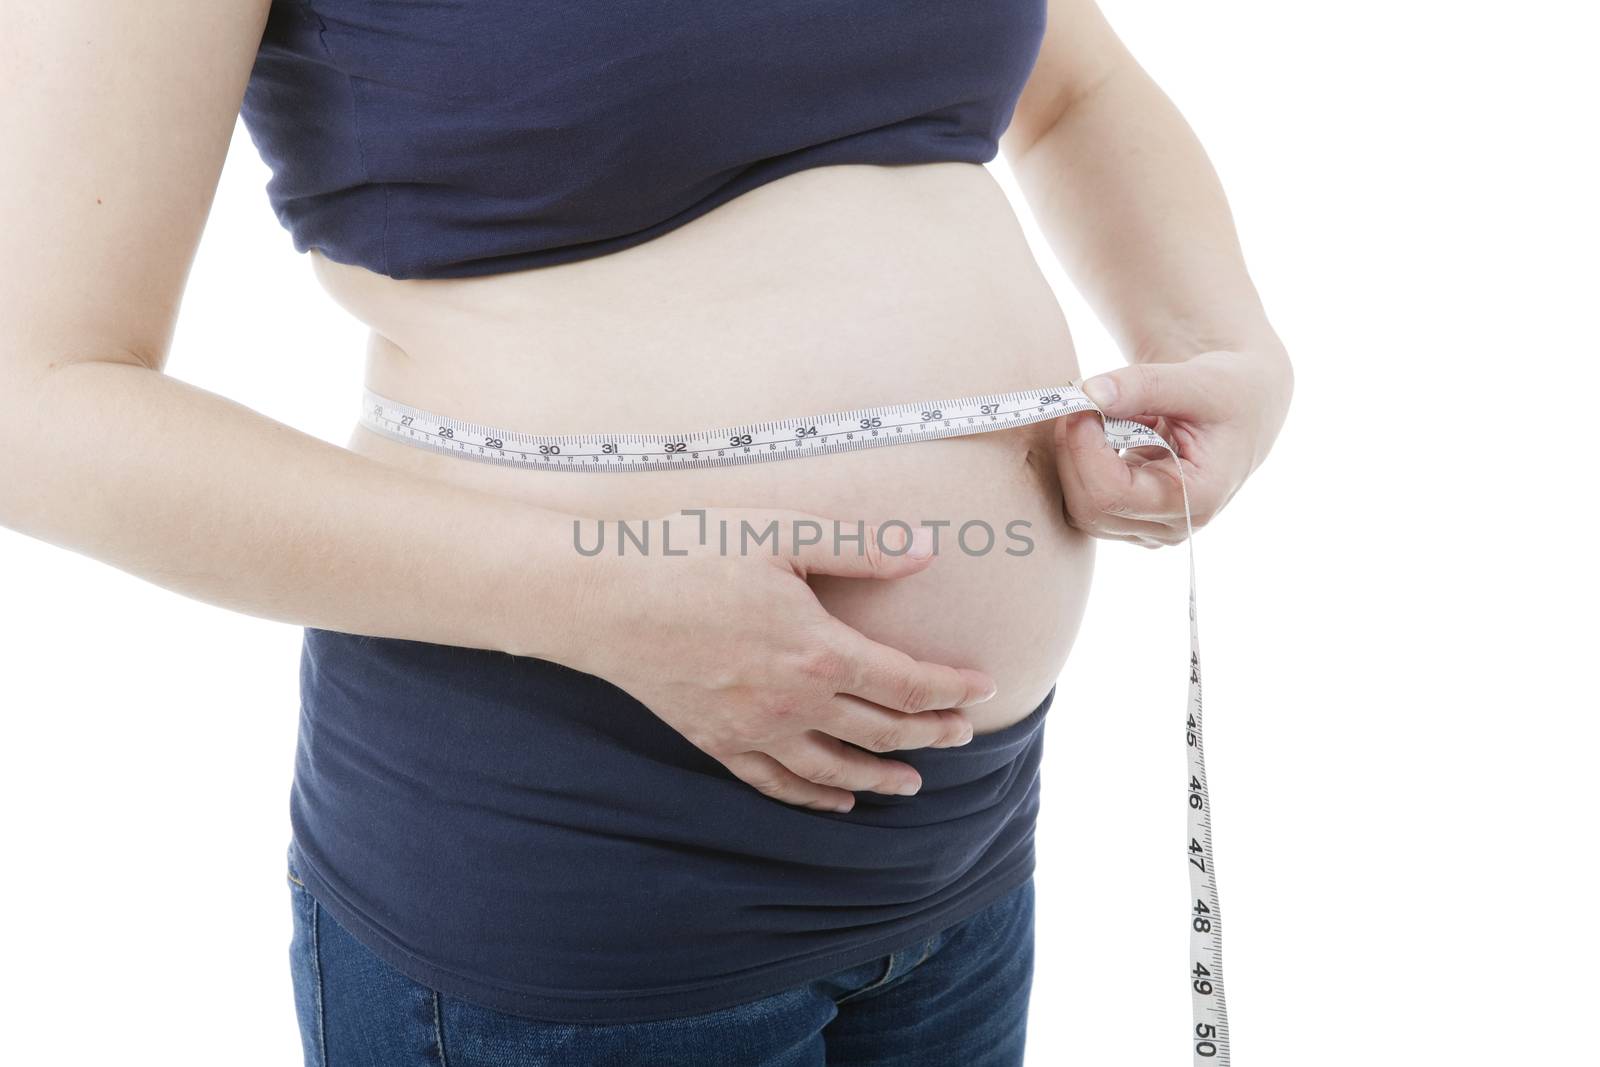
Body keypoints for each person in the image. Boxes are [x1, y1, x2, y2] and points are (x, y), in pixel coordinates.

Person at [0, 1, 1292, 1064]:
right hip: (568, 867)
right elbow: (29, 406)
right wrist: (599, 597)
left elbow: (1075, 90)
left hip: (964, 847)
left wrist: (1219, 344)